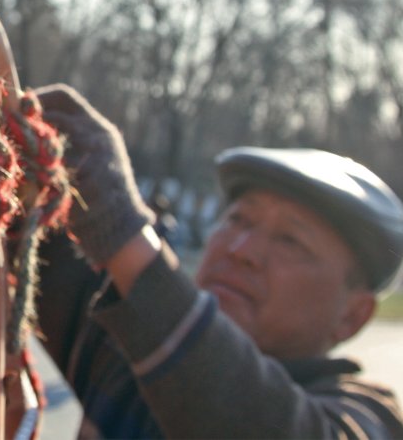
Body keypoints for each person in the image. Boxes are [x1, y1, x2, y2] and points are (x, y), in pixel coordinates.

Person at [33, 84, 403, 439]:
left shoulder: (367, 419)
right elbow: (24, 241)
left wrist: (122, 234)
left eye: (290, 240)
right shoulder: (134, 349)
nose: (241, 249)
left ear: (352, 316)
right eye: (238, 220)